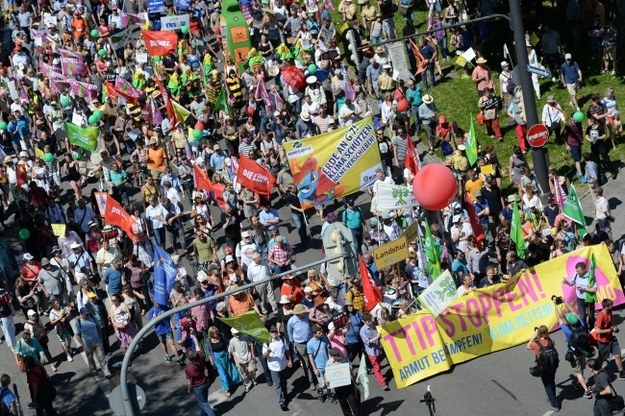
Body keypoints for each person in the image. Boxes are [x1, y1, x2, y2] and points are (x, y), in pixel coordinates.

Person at [527, 325, 560, 411]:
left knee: (547, 385)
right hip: (553, 366)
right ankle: (553, 397)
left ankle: (554, 404)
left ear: (539, 333)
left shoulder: (536, 343)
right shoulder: (550, 341)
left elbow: (527, 346)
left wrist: (534, 336)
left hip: (543, 367)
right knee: (552, 382)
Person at [75, 307, 112, 377]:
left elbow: (98, 327)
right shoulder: (78, 323)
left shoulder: (92, 317)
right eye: (85, 315)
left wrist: (100, 338)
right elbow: (78, 335)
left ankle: (106, 372)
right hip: (87, 344)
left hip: (97, 341)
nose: (87, 316)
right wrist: (82, 344)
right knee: (90, 358)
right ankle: (93, 370)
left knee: (101, 357)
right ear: (81, 314)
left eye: (88, 314)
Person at [205, 326, 242, 398]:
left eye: (216, 332)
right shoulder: (208, 340)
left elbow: (226, 345)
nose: (216, 334)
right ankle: (227, 389)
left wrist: (229, 353)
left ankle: (234, 382)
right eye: (214, 333)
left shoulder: (221, 335)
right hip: (217, 358)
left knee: (230, 369)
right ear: (211, 333)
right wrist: (211, 360)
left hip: (225, 354)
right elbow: (209, 351)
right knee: (222, 373)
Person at [594, 298, 625, 380]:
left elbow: (610, 324)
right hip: (603, 342)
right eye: (611, 305)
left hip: (611, 338)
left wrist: (614, 328)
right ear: (606, 307)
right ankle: (595, 368)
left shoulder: (610, 312)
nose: (613, 306)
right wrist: (610, 330)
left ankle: (621, 373)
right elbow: (598, 330)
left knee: (618, 355)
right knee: (602, 358)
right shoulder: (601, 316)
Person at [287, 303, 316, 390]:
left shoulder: (306, 317)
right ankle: (311, 381)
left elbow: (310, 326)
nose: (304, 313)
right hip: (300, 344)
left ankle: (317, 374)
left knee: (314, 359)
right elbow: (290, 333)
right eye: (303, 312)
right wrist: (294, 344)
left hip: (310, 341)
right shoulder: (291, 321)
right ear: (298, 313)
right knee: (306, 363)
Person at [185, 340, 216, 416]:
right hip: (205, 383)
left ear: (189, 358)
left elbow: (190, 380)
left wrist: (189, 389)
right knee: (203, 401)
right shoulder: (199, 357)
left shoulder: (189, 369)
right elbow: (197, 346)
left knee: (205, 404)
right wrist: (193, 337)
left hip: (198, 388)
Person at [562, 262, 597, 330]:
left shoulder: (590, 276)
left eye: (579, 272)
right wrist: (566, 282)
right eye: (577, 271)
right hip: (580, 300)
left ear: (584, 270)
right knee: (582, 317)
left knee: (591, 317)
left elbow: (594, 290)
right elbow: (572, 283)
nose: (578, 273)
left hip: (589, 300)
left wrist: (584, 289)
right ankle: (585, 330)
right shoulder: (576, 274)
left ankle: (592, 329)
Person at [359, 312, 389, 390]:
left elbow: (378, 330)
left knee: (378, 363)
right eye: (368, 321)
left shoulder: (372, 325)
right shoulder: (362, 331)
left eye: (371, 320)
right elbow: (367, 342)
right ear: (364, 321)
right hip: (371, 352)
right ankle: (383, 383)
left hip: (378, 349)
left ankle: (376, 375)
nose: (370, 322)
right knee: (376, 368)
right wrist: (377, 337)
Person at [307, 325, 331, 402]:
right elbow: (310, 357)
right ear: (314, 334)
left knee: (329, 383)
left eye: (321, 332)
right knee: (322, 385)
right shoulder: (310, 344)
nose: (321, 334)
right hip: (319, 367)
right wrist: (314, 369)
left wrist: (330, 362)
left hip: (327, 365)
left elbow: (328, 350)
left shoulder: (324, 339)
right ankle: (320, 391)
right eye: (319, 333)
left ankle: (329, 396)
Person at [228, 328, 257, 392]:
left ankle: (253, 379)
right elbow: (232, 351)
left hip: (248, 357)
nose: (238, 335)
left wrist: (252, 354)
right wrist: (236, 360)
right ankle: (247, 385)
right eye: (236, 334)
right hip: (239, 360)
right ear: (232, 334)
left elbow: (250, 344)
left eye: (238, 333)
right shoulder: (232, 341)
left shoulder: (244, 337)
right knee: (244, 374)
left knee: (252, 370)